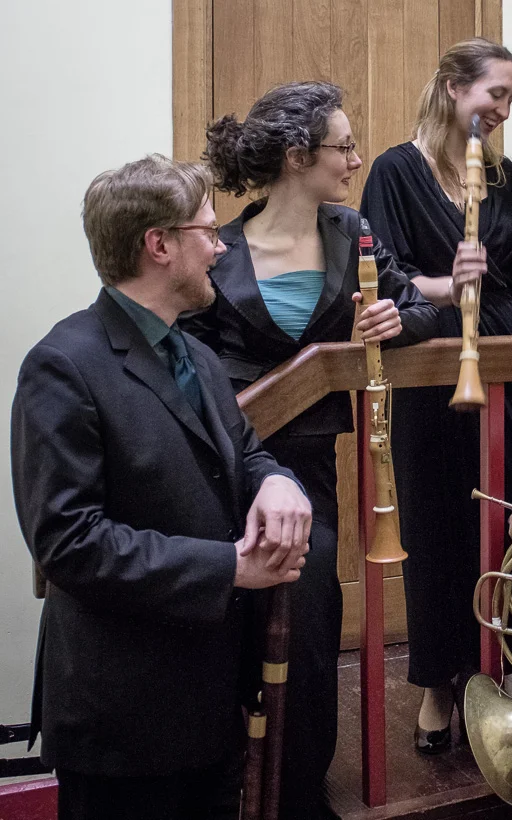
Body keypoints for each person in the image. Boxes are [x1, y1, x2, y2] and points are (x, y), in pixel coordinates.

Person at [10, 154, 313, 820]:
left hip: (208, 698)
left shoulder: (195, 354)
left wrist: (277, 481)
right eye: (208, 230)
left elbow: (241, 450)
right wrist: (229, 567)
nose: (221, 244)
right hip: (121, 716)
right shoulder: (62, 367)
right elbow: (69, 542)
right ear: (159, 245)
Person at [181, 81, 438, 817]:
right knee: (229, 627)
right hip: (227, 471)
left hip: (313, 466)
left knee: (315, 623)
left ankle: (299, 790)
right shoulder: (220, 248)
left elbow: (415, 307)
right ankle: (230, 784)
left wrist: (399, 319)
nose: (356, 159)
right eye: (343, 147)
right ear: (298, 157)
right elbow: (191, 360)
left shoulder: (350, 230)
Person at [360, 37, 512, 754]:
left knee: (501, 526)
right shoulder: (394, 171)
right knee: (436, 532)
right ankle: (439, 685)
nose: (503, 109)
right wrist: (445, 281)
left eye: (511, 100)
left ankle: (499, 676)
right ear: (452, 87)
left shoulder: (506, 175)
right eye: (495, 93)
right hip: (430, 368)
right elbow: (382, 271)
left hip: (496, 363)